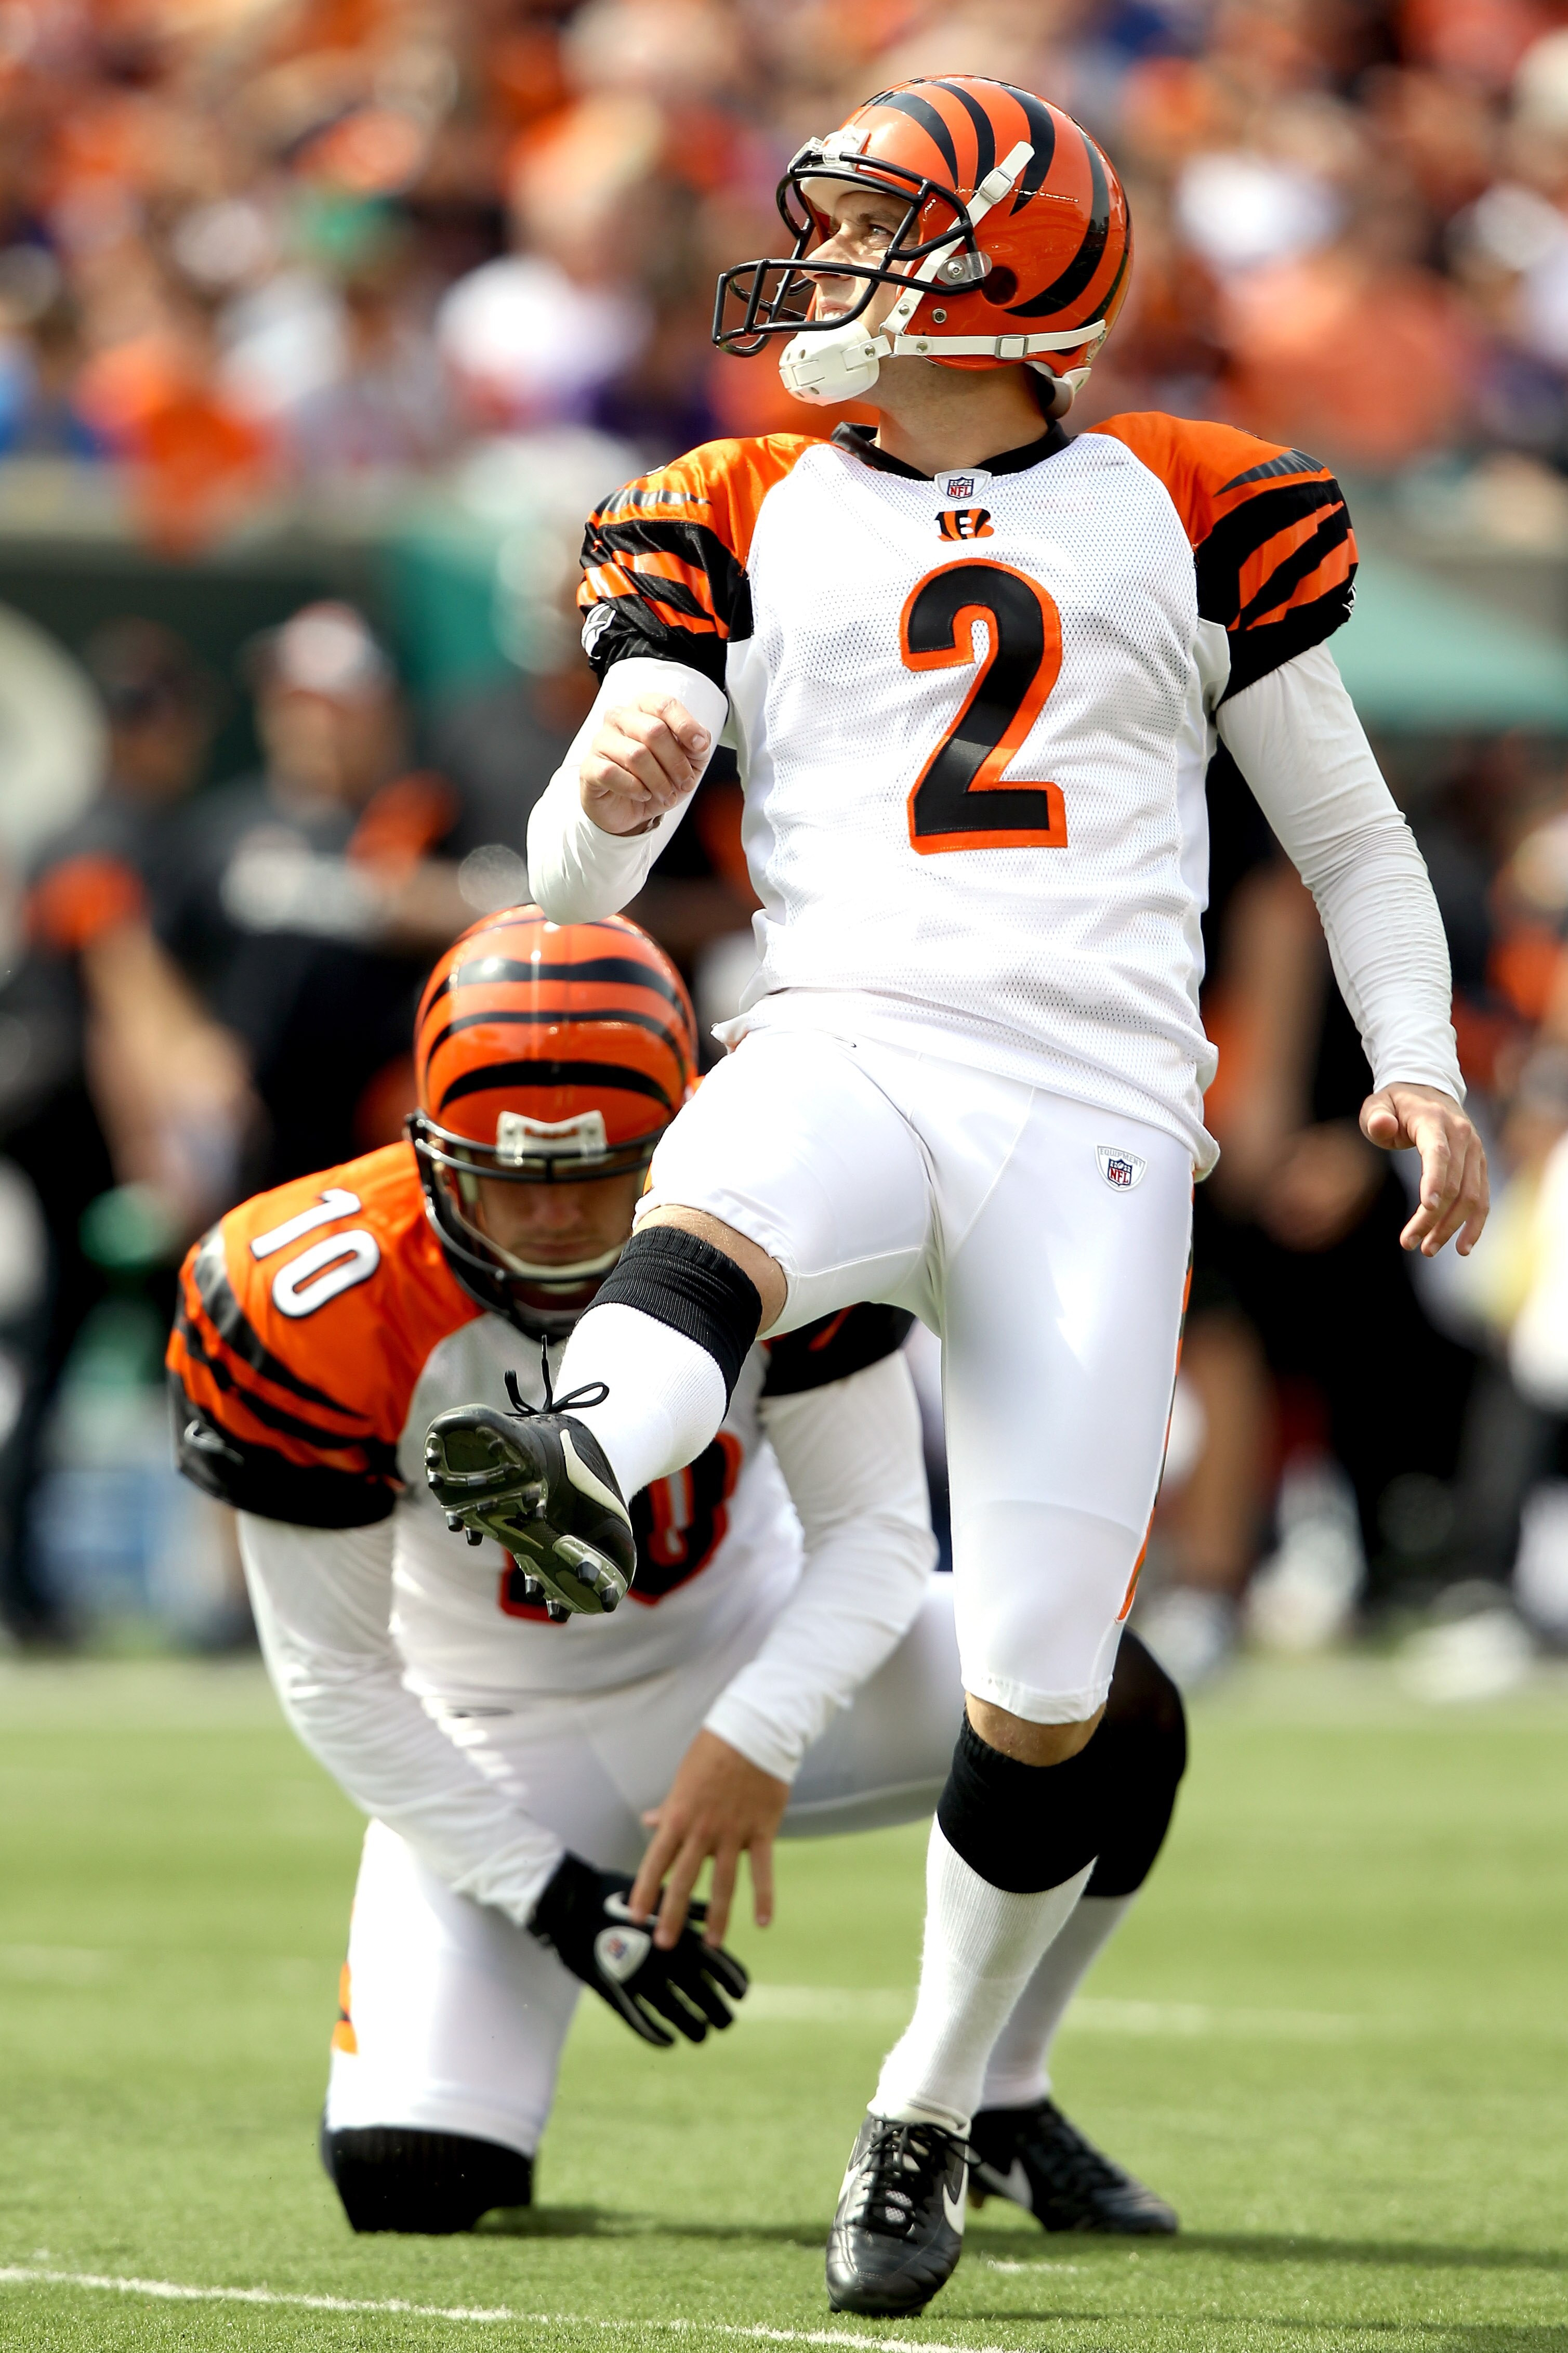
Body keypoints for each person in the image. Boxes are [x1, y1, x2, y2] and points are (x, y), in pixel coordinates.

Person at [425, 76, 1490, 2317]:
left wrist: (1414, 1063)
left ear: (994, 277)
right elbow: (571, 892)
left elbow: (1353, 841)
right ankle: (583, 1458)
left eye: (871, 230)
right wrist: (597, 798)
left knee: (1034, 1692)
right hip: (844, 1032)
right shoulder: (722, 502)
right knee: (731, 1179)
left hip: (1096, 1110)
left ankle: (922, 2106)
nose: (819, 269)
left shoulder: (1189, 498)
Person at [169, 908, 1189, 2238]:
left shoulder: (775, 1196)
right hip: (495, 1737)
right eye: (510, 1177)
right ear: (426, 1149)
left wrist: (755, 1733)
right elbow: (336, 1679)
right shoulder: (307, 1294)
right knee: (409, 2181)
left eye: (600, 1176)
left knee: (1108, 1701)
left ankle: (996, 2089)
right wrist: (555, 1897)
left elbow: (880, 1533)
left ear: (678, 1134)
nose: (553, 1218)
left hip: (762, 1648)